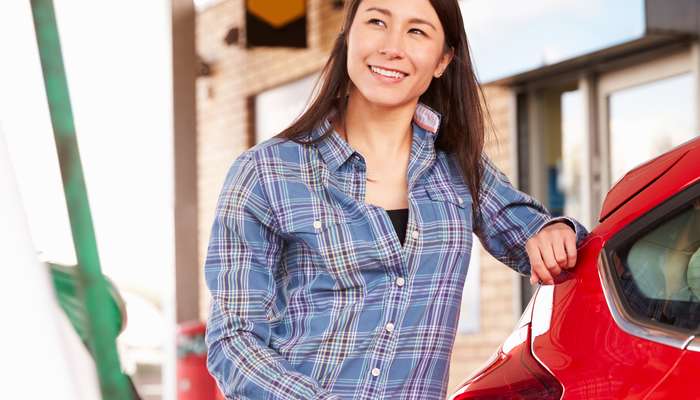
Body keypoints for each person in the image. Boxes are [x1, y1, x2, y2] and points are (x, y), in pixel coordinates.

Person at [203, 0, 588, 399]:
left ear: (443, 59)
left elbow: (534, 236)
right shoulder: (265, 172)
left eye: (416, 31)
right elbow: (233, 340)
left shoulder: (459, 169)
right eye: (376, 22)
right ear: (348, 35)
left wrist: (553, 232)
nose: (392, 46)